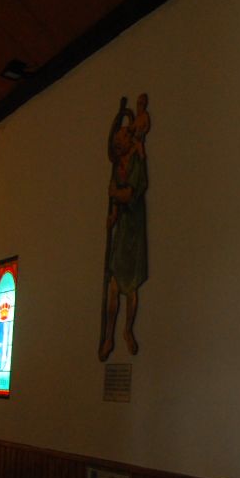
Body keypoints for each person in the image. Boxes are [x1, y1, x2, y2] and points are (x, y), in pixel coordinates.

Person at [99, 95, 149, 361]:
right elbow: (119, 197)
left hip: (134, 232)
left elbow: (131, 192)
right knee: (114, 287)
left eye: (123, 140)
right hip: (122, 231)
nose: (120, 147)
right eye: (118, 143)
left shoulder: (138, 162)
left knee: (131, 289)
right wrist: (113, 216)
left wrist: (115, 195)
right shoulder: (118, 166)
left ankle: (127, 330)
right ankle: (108, 336)